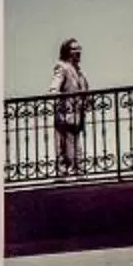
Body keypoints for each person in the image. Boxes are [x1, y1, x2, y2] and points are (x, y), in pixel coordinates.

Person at [49, 39, 91, 177]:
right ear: (67, 52)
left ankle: (75, 176)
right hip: (66, 117)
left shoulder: (78, 71)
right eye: (74, 49)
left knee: (74, 153)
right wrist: (60, 101)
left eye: (79, 48)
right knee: (70, 155)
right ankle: (72, 178)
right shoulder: (62, 67)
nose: (78, 52)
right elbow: (54, 88)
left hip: (76, 118)